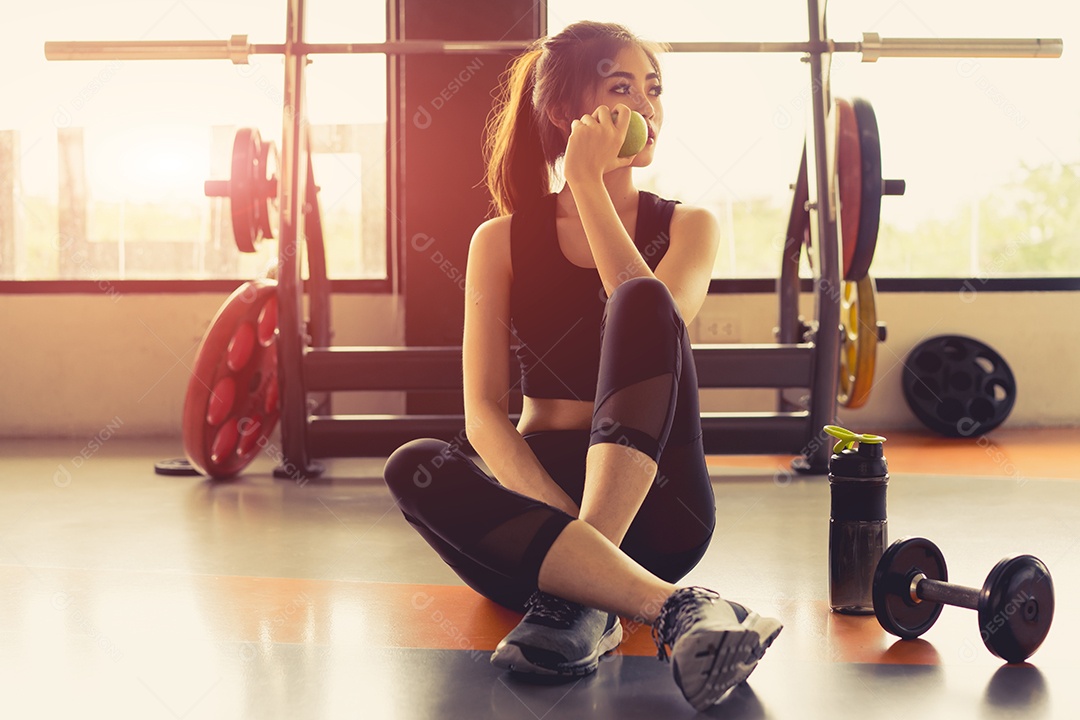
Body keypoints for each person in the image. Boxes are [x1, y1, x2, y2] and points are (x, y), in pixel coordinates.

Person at [383, 20, 781, 711]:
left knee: (645, 302)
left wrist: (589, 186)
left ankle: (580, 600)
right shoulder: (499, 240)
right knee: (412, 463)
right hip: (540, 521)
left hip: (661, 506)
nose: (647, 107)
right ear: (567, 112)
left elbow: (655, 316)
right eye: (621, 88)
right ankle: (667, 606)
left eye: (654, 90)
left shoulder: (691, 226)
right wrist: (568, 537)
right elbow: (482, 413)